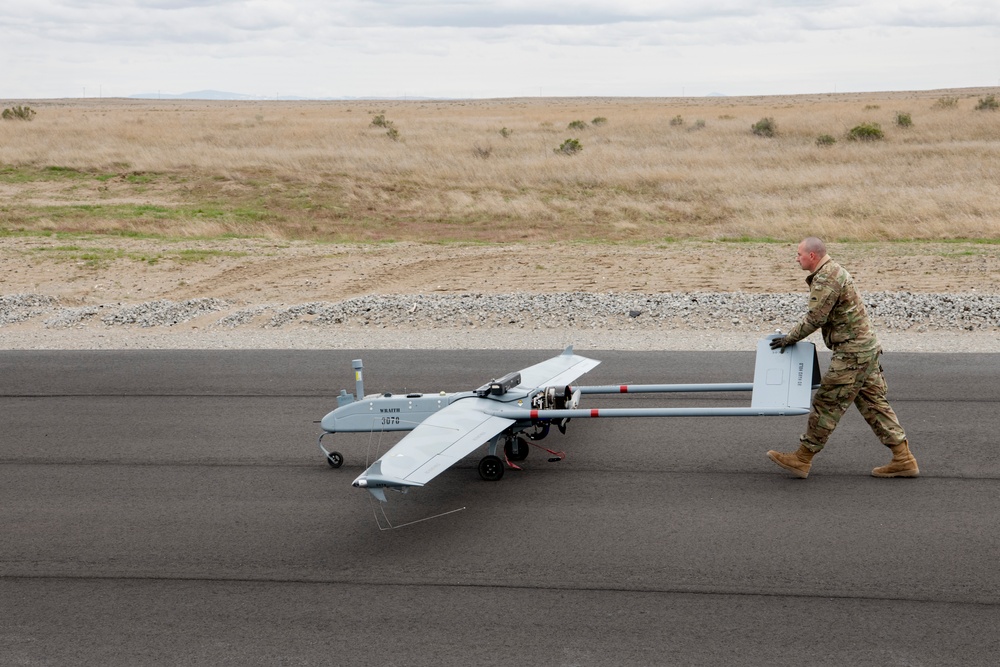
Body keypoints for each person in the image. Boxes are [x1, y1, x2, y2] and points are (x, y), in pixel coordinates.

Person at [766, 237, 918, 479]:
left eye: (799, 254)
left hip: (853, 353)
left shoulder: (826, 277)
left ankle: (802, 458)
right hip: (864, 349)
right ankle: (903, 458)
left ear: (812, 256)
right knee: (874, 404)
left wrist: (789, 339)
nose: (796, 258)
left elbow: (816, 318)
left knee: (827, 403)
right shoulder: (834, 271)